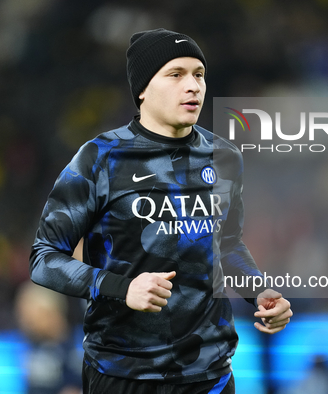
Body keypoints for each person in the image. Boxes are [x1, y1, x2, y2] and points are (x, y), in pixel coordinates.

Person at [30, 28, 292, 394]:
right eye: (176, 74)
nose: (193, 86)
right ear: (142, 89)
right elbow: (44, 258)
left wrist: (260, 292)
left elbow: (228, 246)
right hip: (122, 375)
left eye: (199, 74)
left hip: (210, 376)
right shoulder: (99, 158)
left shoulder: (225, 157)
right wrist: (122, 288)